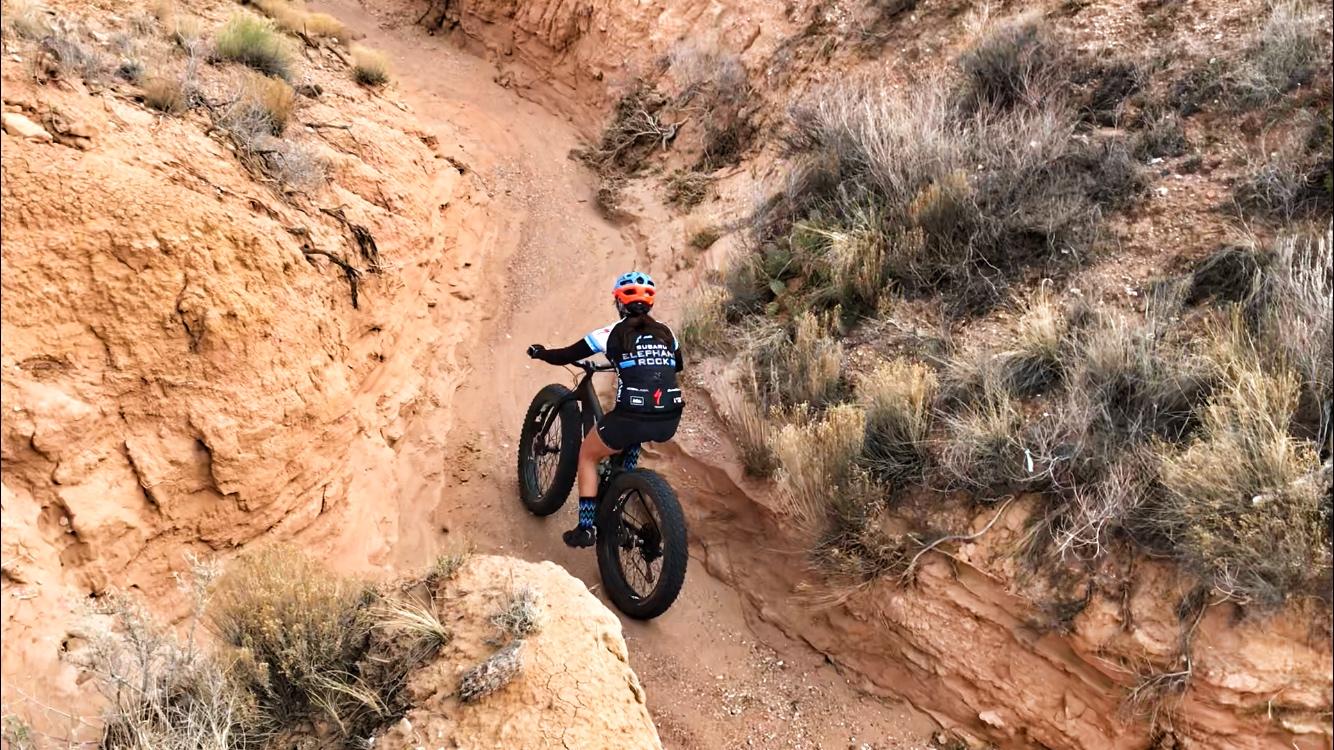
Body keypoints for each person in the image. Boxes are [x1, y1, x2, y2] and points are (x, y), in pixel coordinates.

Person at [526, 271, 685, 548]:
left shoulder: (610, 333)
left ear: (619, 303)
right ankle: (622, 485)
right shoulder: (667, 333)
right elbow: (677, 365)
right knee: (632, 432)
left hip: (631, 416)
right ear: (651, 304)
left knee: (588, 455)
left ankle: (586, 528)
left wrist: (541, 352)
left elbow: (566, 355)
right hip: (669, 416)